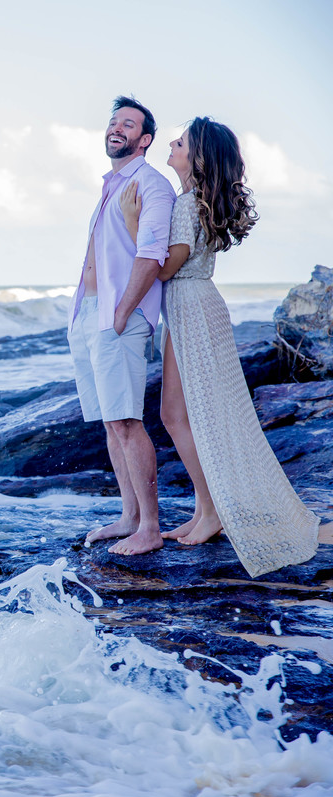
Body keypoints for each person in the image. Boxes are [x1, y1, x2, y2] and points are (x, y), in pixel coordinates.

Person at [117, 117, 318, 577]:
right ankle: (207, 509)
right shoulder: (192, 202)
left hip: (193, 309)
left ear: (198, 157)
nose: (172, 142)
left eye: (181, 141)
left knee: (183, 416)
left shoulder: (188, 206)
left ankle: (211, 513)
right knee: (181, 415)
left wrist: (132, 223)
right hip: (192, 309)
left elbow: (164, 270)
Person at [69, 96, 176, 556]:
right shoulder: (111, 185)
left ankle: (150, 527)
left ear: (144, 139)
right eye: (113, 122)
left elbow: (152, 255)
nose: (116, 129)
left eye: (127, 124)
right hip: (89, 314)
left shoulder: (151, 186)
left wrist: (120, 313)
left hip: (118, 316)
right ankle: (129, 516)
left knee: (128, 422)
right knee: (112, 425)